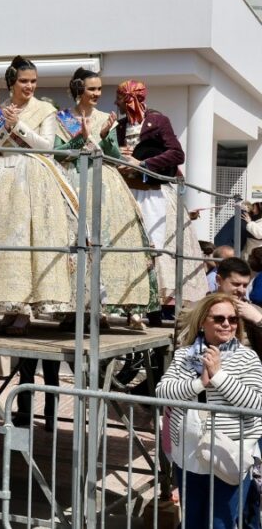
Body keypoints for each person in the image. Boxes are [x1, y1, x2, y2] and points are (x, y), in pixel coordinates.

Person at [0, 57, 77, 335]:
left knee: (26, 240)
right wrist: (4, 129)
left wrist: (19, 125)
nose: (29, 86)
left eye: (33, 81)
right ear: (12, 82)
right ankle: (8, 306)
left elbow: (46, 147)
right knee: (2, 241)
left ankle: (26, 309)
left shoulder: (44, 109)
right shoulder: (0, 110)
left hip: (31, 176)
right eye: (23, 81)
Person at [54, 68, 157, 326]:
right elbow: (58, 153)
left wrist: (103, 137)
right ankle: (71, 309)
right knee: (72, 243)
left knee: (106, 243)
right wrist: (81, 139)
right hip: (73, 183)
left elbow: (115, 157)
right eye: (92, 89)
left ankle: (100, 307)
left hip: (105, 184)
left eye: (99, 89)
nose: (97, 93)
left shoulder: (105, 118)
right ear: (79, 90)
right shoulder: (61, 118)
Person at [159, 293, 262, 529]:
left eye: (233, 319)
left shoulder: (248, 358)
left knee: (220, 524)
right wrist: (198, 384)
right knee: (193, 522)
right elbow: (163, 392)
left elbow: (256, 404)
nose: (227, 324)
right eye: (219, 319)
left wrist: (219, 377)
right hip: (189, 455)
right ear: (203, 321)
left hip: (229, 455)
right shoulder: (185, 355)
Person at [115, 80, 208, 323]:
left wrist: (143, 164)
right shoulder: (119, 126)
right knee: (125, 247)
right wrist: (120, 155)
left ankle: (154, 310)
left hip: (153, 191)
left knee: (155, 249)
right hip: (127, 190)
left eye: (130, 98)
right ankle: (130, 306)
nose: (126, 103)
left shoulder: (158, 122)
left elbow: (177, 153)